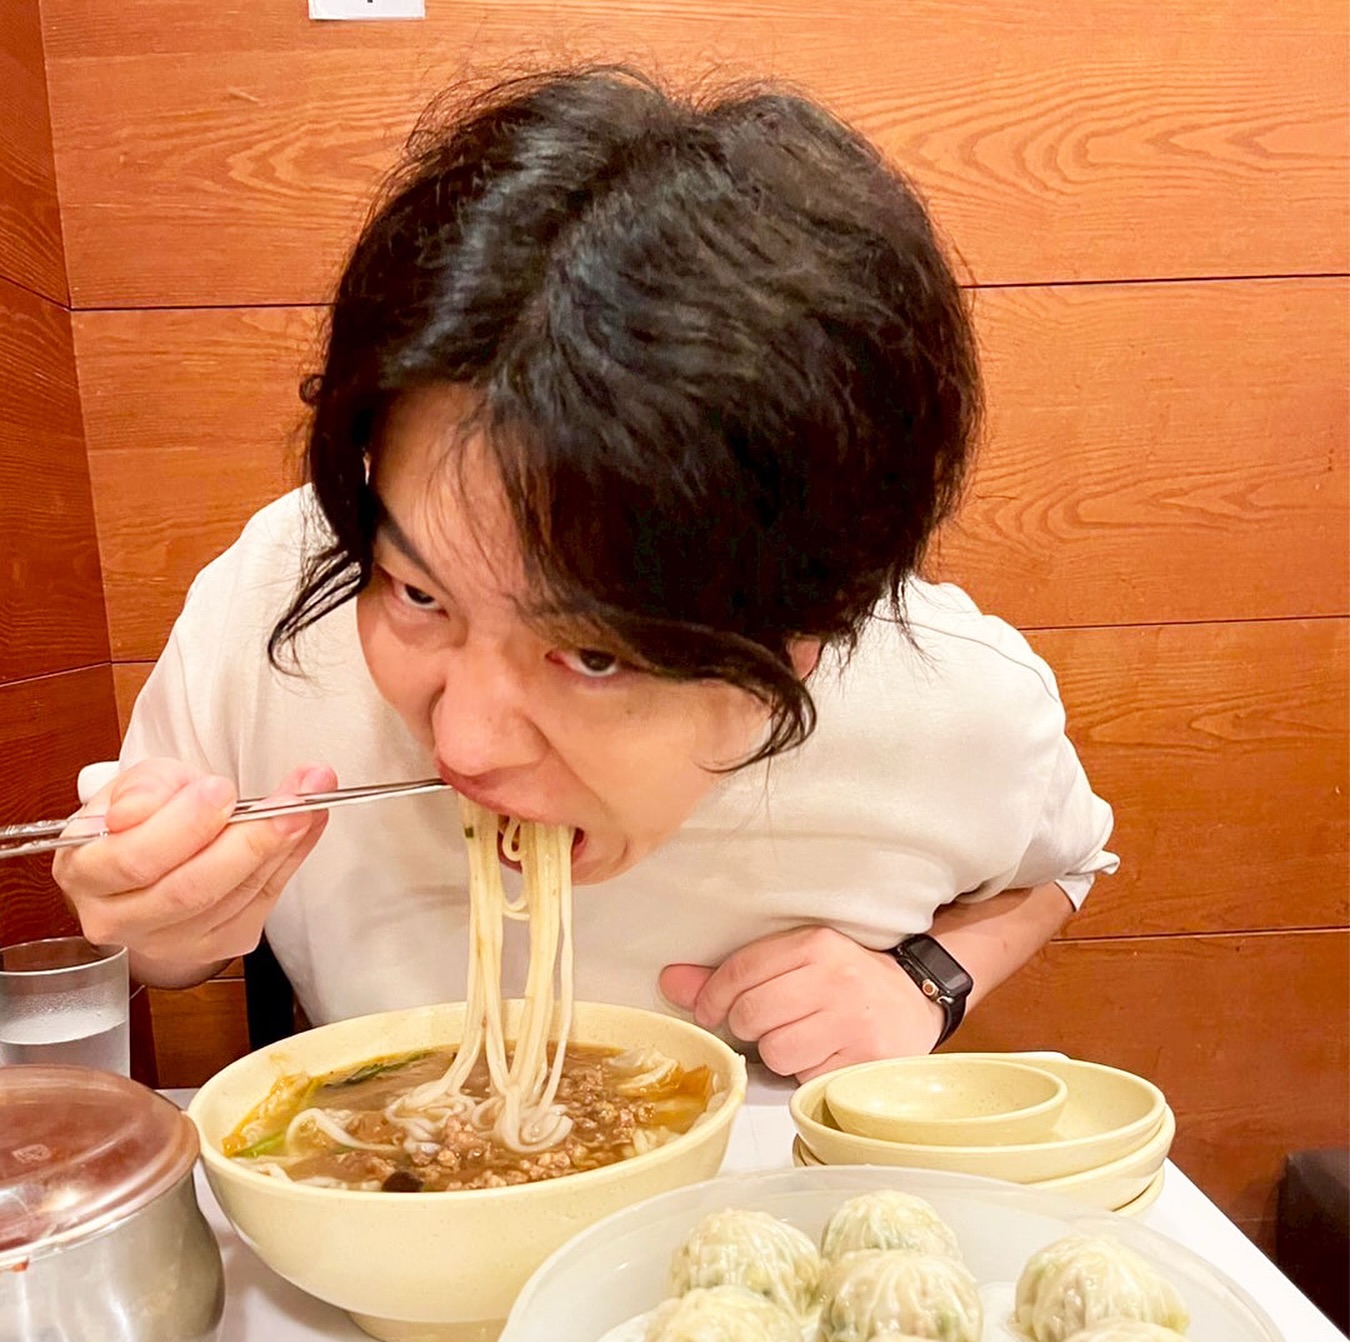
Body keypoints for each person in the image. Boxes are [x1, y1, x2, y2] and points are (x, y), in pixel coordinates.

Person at [56, 67, 1116, 1082]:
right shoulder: (276, 602)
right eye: (420, 595)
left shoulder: (952, 705)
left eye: (593, 655)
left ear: (802, 638)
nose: (464, 744)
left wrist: (926, 981)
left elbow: (1066, 867)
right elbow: (150, 936)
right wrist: (156, 924)